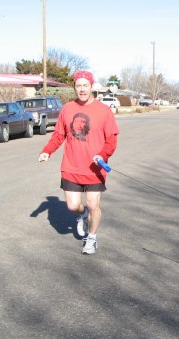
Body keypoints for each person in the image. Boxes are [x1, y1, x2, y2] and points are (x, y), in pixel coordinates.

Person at [38, 70, 119, 255]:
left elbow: (111, 140)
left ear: (91, 87)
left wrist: (103, 155)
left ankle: (91, 238)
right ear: (74, 87)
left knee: (93, 205)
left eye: (85, 85)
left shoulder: (104, 111)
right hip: (71, 166)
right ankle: (82, 216)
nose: (82, 89)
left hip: (95, 169)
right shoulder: (67, 109)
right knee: (73, 206)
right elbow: (59, 135)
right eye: (78, 86)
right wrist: (47, 151)